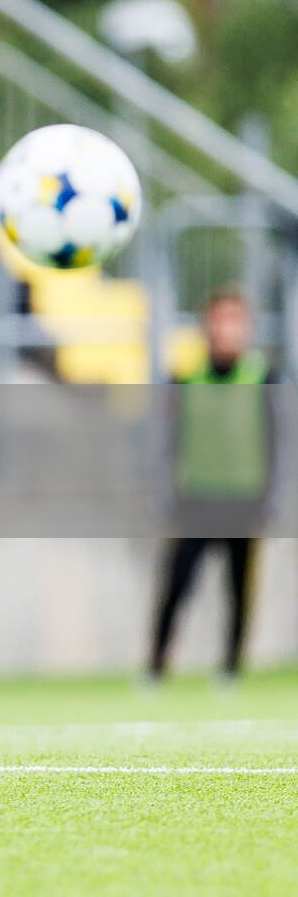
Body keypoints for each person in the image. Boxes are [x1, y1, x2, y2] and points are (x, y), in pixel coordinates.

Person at [147, 287, 279, 683]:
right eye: (220, 320)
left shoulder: (263, 377)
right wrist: (165, 491)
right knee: (176, 584)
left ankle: (231, 669)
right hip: (197, 498)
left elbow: (278, 441)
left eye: (235, 321)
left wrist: (272, 497)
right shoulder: (186, 378)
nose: (227, 330)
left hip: (244, 498)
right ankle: (156, 667)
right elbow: (166, 440)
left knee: (238, 588)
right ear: (207, 326)